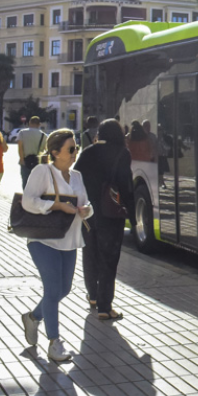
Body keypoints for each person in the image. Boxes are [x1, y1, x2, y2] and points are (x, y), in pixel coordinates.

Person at [19, 129, 93, 362]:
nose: (75, 152)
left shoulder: (78, 176)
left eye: (76, 148)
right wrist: (57, 206)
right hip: (43, 239)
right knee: (52, 291)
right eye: (71, 149)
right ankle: (54, 342)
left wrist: (86, 210)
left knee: (63, 290)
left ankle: (33, 317)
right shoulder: (43, 171)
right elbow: (28, 200)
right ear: (54, 152)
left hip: (69, 240)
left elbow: (87, 204)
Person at [75, 119, 134, 320]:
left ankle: (92, 296)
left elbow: (75, 180)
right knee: (108, 260)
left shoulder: (87, 152)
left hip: (88, 214)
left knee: (90, 254)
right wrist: (134, 217)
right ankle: (105, 307)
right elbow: (126, 186)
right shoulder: (122, 153)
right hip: (111, 215)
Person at [17, 116, 47, 189]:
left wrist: (21, 159)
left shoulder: (22, 133)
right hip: (38, 162)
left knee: (25, 182)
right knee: (37, 183)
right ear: (39, 124)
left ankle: (26, 198)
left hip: (25, 160)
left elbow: (20, 147)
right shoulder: (44, 135)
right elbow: (45, 150)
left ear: (29, 123)